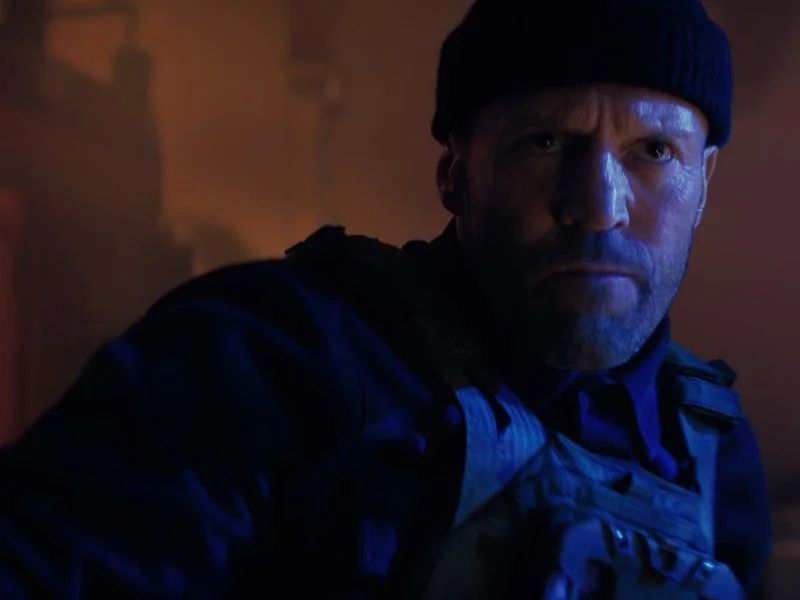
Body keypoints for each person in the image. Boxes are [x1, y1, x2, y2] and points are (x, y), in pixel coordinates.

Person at [0, 0, 772, 598]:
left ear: (703, 182)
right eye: (544, 143)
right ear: (456, 174)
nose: (598, 206)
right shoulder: (276, 359)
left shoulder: (714, 450)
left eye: (653, 151)